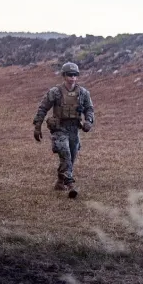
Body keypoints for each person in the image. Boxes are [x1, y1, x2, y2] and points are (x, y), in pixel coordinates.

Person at [33, 62, 95, 198]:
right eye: (69, 75)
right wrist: (37, 126)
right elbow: (43, 108)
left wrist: (88, 121)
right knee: (65, 154)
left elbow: (89, 108)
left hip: (74, 129)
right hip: (59, 128)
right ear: (64, 75)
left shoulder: (83, 93)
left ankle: (60, 182)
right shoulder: (55, 92)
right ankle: (71, 184)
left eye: (75, 75)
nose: (72, 77)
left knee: (71, 157)